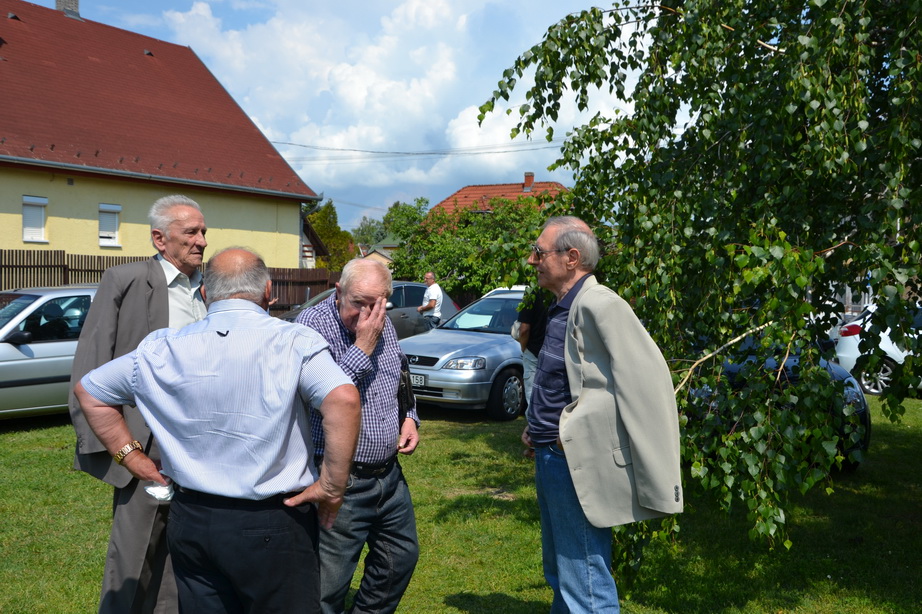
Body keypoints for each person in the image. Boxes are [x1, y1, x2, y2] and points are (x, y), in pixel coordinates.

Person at [74, 247, 362, 614]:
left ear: (205, 293)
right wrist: (333, 486)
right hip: (272, 520)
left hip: (193, 518)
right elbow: (343, 400)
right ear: (268, 291)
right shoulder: (293, 341)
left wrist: (131, 458)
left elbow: (90, 392)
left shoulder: (162, 348)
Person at [521, 216, 683, 613]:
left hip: (570, 457)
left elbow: (646, 384)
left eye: (539, 252)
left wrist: (568, 433)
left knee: (585, 582)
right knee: (562, 572)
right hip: (549, 454)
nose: (532, 260)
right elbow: (564, 381)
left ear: (572, 258)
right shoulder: (561, 306)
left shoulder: (601, 304)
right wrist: (536, 427)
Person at [68, 194, 208, 614]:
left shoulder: (210, 288)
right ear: (159, 239)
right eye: (191, 232)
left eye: (204, 232)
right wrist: (122, 452)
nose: (202, 241)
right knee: (134, 557)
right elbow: (90, 366)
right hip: (146, 441)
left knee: (183, 554)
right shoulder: (126, 280)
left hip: (202, 443)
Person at [297, 258, 420, 614]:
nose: (366, 315)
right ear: (338, 291)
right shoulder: (311, 326)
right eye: (358, 303)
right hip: (341, 479)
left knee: (400, 558)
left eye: (376, 304)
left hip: (388, 475)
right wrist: (363, 346)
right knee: (328, 584)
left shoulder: (383, 322)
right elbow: (323, 395)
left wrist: (409, 416)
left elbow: (398, 372)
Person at [515, 287, 550, 408]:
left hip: (533, 352)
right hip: (555, 351)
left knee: (532, 397)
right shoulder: (561, 291)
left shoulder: (532, 292)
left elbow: (524, 330)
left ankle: (533, 419)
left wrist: (523, 348)